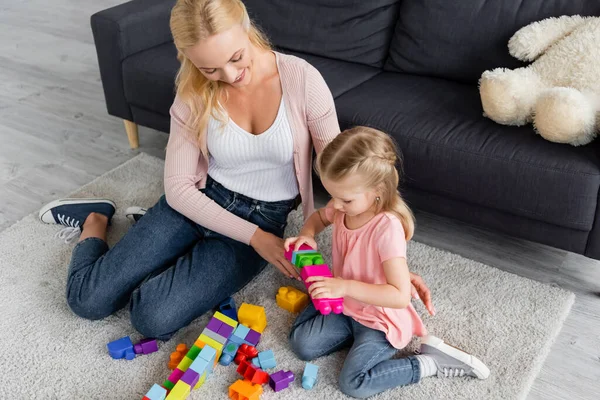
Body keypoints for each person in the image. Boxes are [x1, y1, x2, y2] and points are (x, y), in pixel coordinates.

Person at [36, 0, 433, 339]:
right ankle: (95, 222)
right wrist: (256, 238)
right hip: (196, 203)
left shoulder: (301, 79)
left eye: (235, 58)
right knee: (87, 301)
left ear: (246, 28)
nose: (228, 76)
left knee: (151, 317)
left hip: (265, 216)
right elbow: (178, 187)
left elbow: (347, 171)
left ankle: (147, 236)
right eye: (209, 69)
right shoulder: (192, 92)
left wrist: (390, 259)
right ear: (189, 59)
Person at [285, 127, 490, 399]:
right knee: (301, 345)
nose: (335, 204)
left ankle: (428, 363)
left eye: (345, 198)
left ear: (377, 191)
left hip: (378, 319)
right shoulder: (342, 207)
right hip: (346, 306)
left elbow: (398, 294)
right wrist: (307, 236)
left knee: (353, 384)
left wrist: (342, 286)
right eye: (332, 194)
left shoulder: (387, 228)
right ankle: (347, 332)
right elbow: (319, 218)